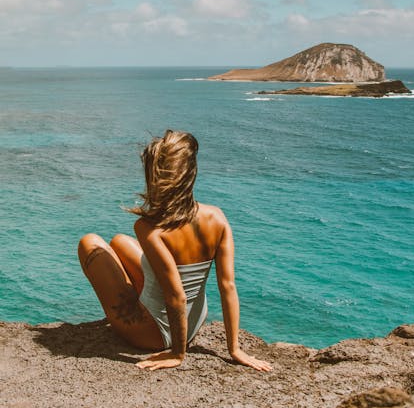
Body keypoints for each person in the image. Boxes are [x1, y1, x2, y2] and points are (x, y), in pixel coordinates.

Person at [78, 129, 272, 372]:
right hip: (194, 321)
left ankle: (161, 334)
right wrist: (234, 349)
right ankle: (165, 324)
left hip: (155, 333)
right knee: (118, 241)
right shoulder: (217, 218)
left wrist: (177, 353)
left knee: (90, 242)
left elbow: (176, 295)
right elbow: (228, 286)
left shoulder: (150, 229)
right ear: (191, 173)